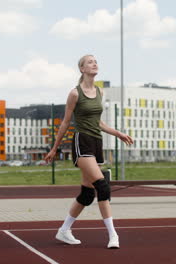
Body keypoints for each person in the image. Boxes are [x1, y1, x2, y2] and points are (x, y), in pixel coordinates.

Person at [44, 54, 133, 249]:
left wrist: (118, 133)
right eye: (90, 62)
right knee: (102, 186)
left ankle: (64, 230)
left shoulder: (100, 92)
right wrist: (54, 148)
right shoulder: (75, 93)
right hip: (81, 142)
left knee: (87, 194)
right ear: (82, 69)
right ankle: (113, 235)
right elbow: (66, 122)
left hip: (96, 142)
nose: (95, 63)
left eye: (96, 61)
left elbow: (98, 122)